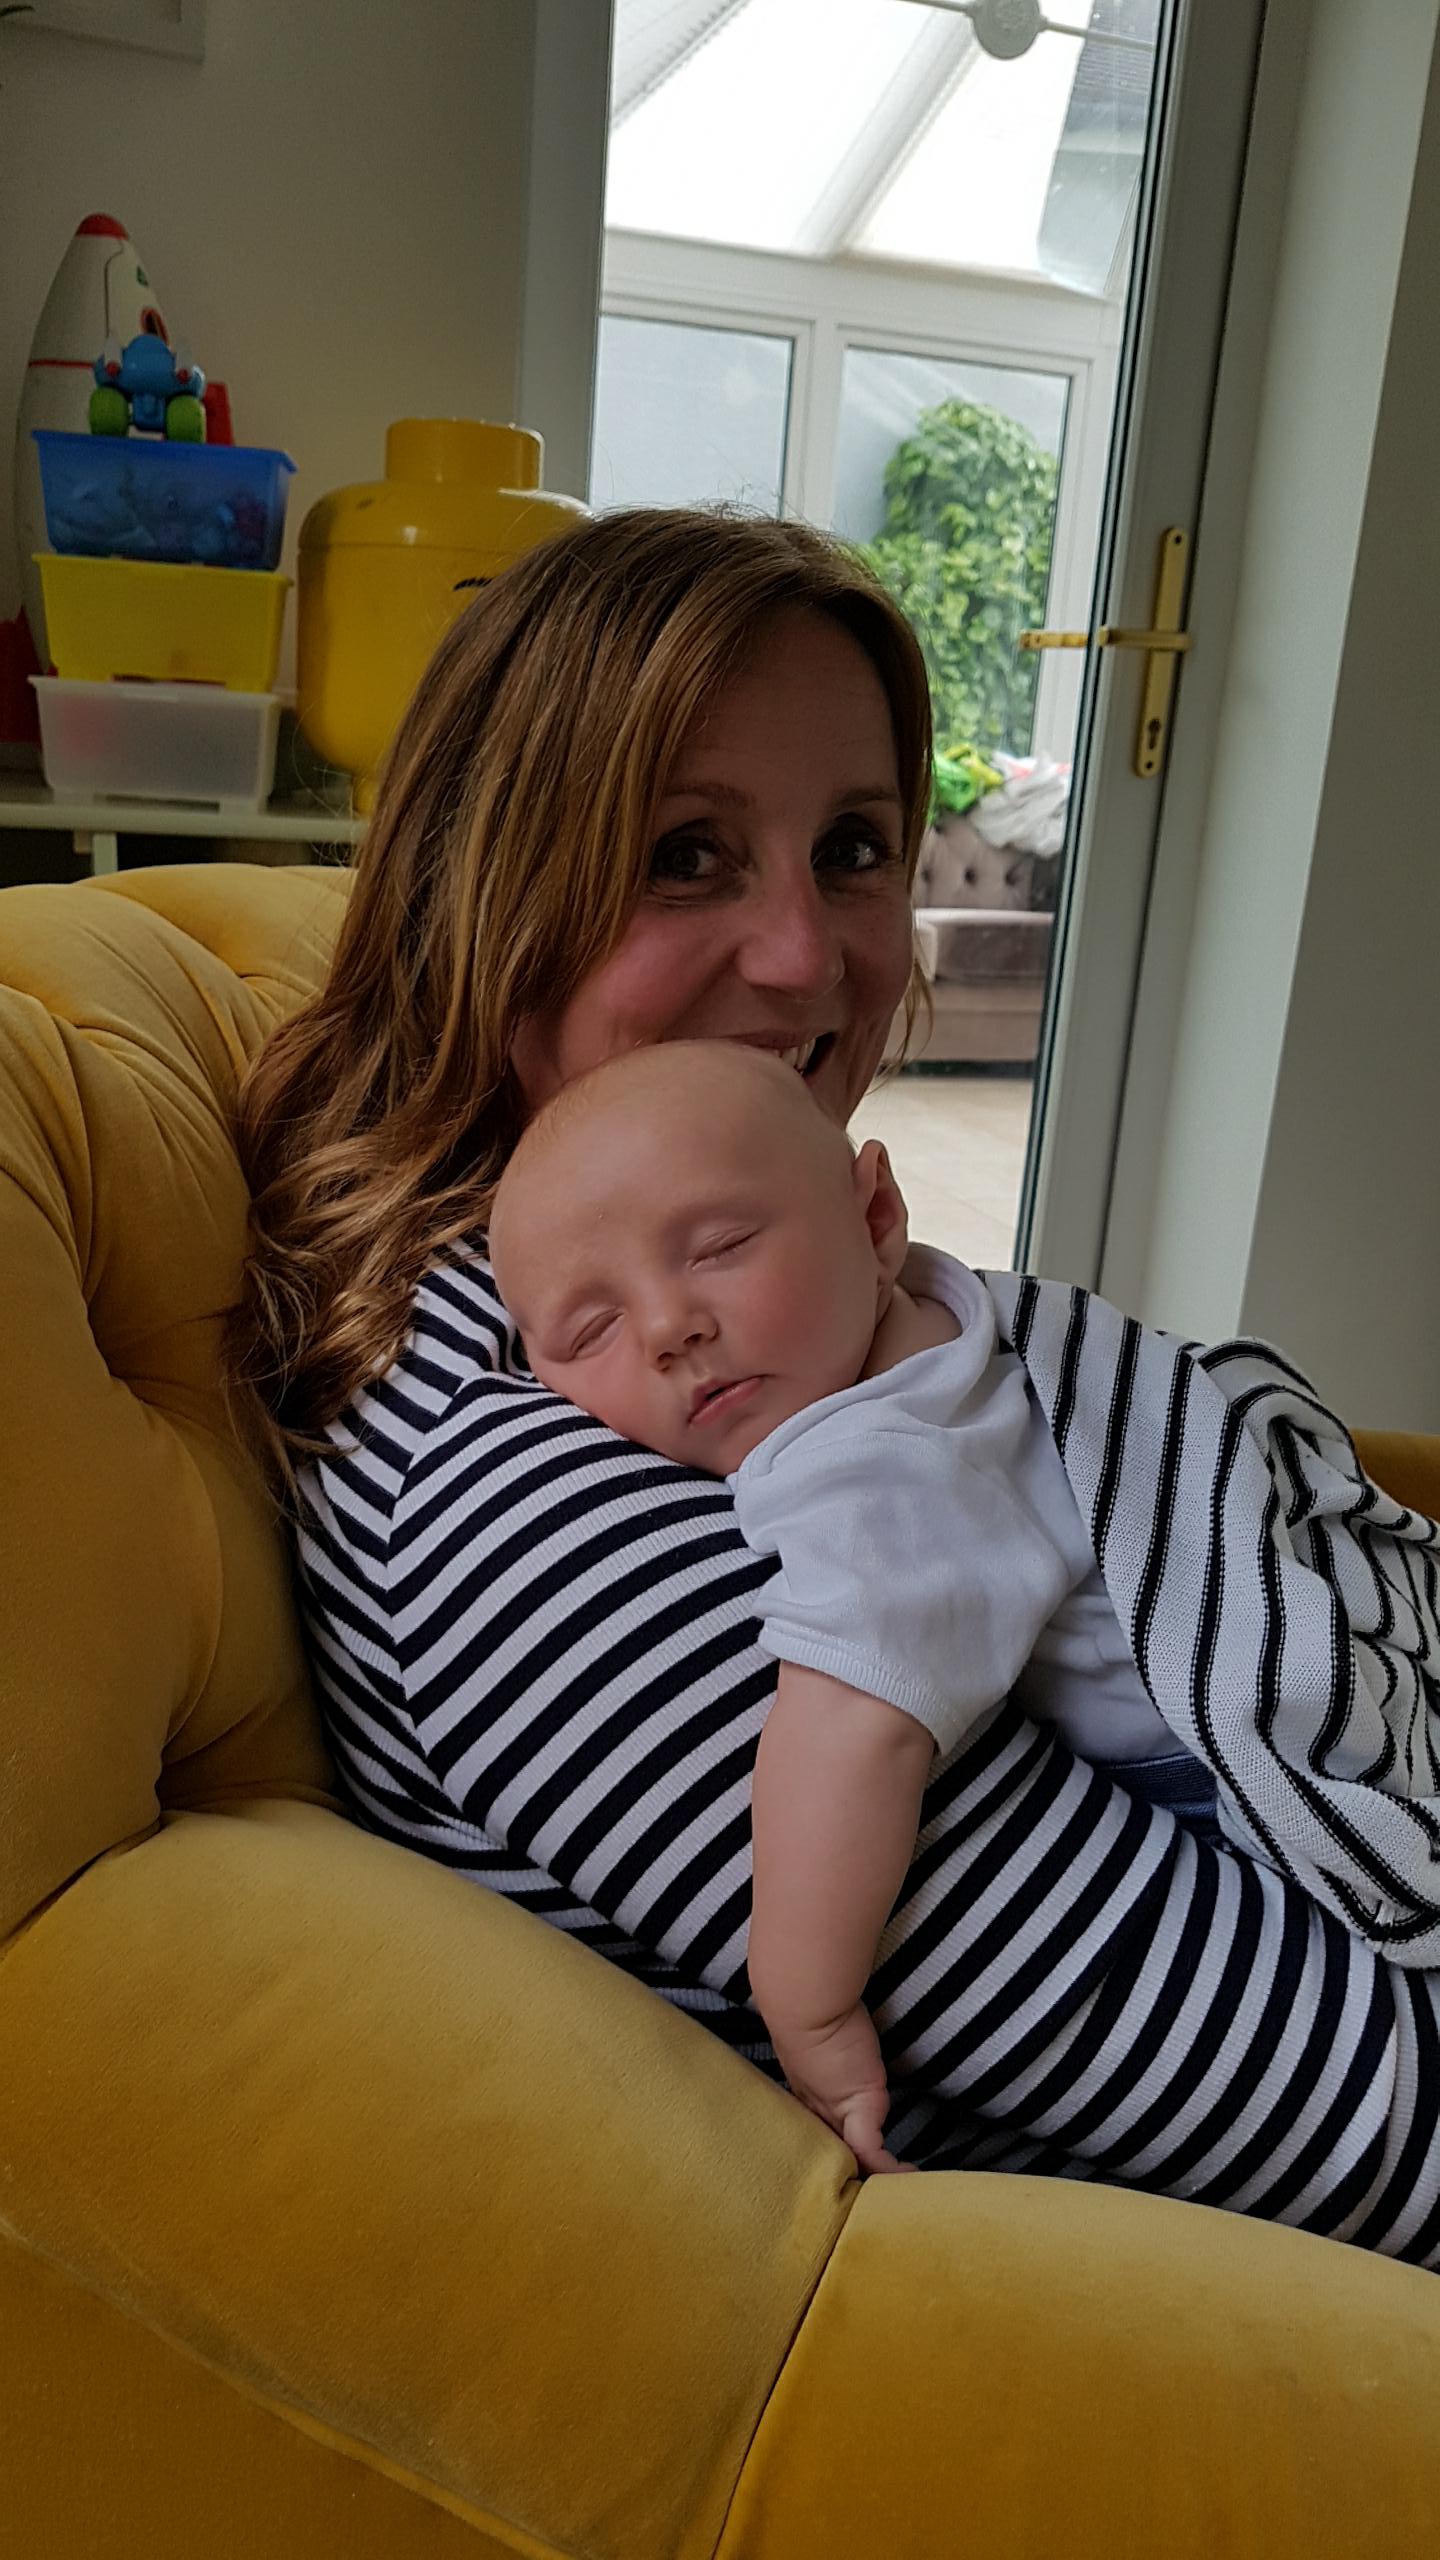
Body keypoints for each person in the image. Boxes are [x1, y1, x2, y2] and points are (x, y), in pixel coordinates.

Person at [229, 506, 1440, 2265]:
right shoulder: (512, 1501)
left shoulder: (728, 1310)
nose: (811, 958)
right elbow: (1350, 2116)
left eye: (855, 848)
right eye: (686, 856)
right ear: (483, 897)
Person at [486, 1036, 1440, 2176]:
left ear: (876, 1215)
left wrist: (809, 2004)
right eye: (589, 1331)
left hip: (1230, 1758)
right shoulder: (946, 1316)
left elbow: (853, 1730)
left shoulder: (874, 1464)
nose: (666, 1328)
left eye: (722, 1247)